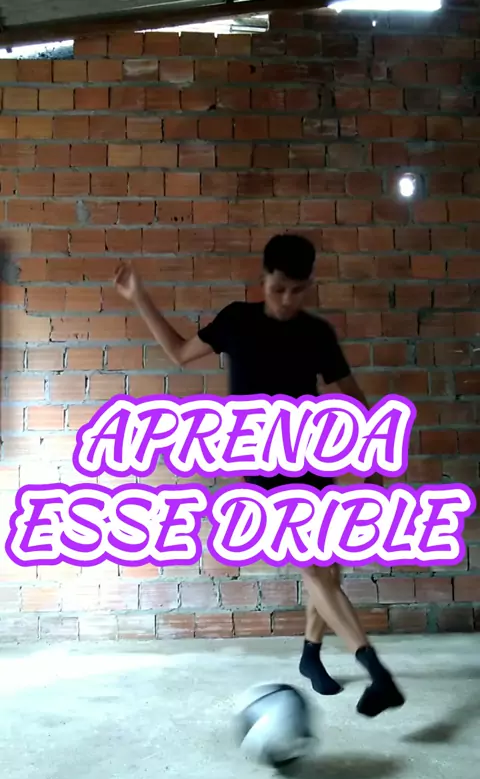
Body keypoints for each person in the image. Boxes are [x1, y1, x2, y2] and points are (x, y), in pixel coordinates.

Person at [114, 233, 405, 719]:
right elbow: (180, 352)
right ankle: (377, 672)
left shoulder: (316, 333)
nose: (288, 300)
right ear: (264, 279)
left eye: (298, 290)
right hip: (263, 465)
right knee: (313, 567)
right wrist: (139, 295)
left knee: (329, 568)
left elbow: (353, 395)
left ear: (309, 285)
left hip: (312, 456)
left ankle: (311, 655)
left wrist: (374, 460)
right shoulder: (237, 321)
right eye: (278, 289)